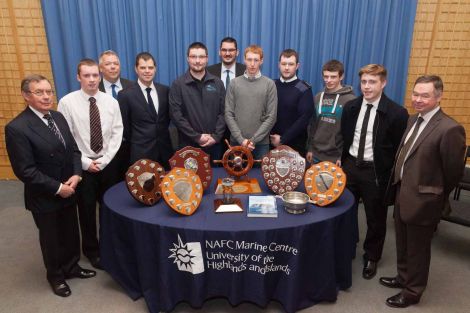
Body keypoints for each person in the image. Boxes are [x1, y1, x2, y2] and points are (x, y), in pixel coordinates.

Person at [5, 74, 96, 297]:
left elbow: (74, 150)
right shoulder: (17, 128)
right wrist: (58, 188)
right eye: (40, 92)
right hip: (46, 195)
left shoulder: (58, 117)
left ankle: (72, 267)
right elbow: (25, 171)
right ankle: (55, 276)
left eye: (49, 91)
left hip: (70, 187)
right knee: (51, 239)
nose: (46, 97)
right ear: (26, 96)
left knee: (71, 233)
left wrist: (76, 175)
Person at [380, 75, 466, 308]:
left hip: (425, 200)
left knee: (418, 249)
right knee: (403, 242)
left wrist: (435, 196)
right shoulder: (412, 119)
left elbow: (453, 173)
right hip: (402, 192)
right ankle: (403, 277)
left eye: (424, 95)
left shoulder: (450, 129)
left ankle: (412, 291)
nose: (417, 99)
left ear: (439, 97)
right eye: (415, 94)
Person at [341, 64, 408, 280]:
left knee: (376, 217)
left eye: (372, 82)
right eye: (364, 82)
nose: (367, 87)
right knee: (346, 211)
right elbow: (345, 137)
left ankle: (372, 256)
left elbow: (398, 148)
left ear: (383, 83)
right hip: (351, 166)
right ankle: (347, 247)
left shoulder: (397, 113)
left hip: (375, 173)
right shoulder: (351, 107)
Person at [58, 59, 123, 270]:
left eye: (95, 75)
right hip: (81, 166)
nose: (92, 79)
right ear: (78, 77)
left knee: (109, 208)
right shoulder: (66, 103)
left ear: (100, 75)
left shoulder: (111, 102)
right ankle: (92, 251)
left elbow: (117, 133)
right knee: (86, 212)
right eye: (87, 75)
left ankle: (109, 246)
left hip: (107, 163)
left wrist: (104, 161)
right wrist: (85, 163)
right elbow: (66, 138)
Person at [169, 42, 225, 160]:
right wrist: (197, 137)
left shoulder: (217, 83)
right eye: (193, 57)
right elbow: (176, 116)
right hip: (188, 146)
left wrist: (215, 137)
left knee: (216, 177)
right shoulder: (178, 85)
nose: (197, 61)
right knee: (190, 179)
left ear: (207, 59)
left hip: (214, 145)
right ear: (187, 59)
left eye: (201, 57)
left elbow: (224, 112)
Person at [118, 52, 173, 168]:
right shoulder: (125, 95)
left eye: (150, 67)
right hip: (141, 153)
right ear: (136, 69)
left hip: (165, 151)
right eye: (143, 67)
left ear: (155, 69)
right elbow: (125, 127)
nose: (147, 71)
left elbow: (166, 119)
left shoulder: (165, 90)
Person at [225, 45, 277, 160]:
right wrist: (241, 140)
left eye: (256, 60)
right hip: (237, 142)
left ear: (261, 61)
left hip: (260, 145)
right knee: (236, 176)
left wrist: (252, 140)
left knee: (261, 176)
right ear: (244, 60)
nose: (252, 64)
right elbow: (228, 114)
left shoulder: (269, 84)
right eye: (249, 60)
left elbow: (271, 117)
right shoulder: (234, 83)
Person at [306, 60, 356, 163]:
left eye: (333, 77)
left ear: (341, 77)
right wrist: (310, 148)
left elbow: (351, 131)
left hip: (336, 158)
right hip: (315, 154)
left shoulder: (350, 100)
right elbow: (312, 125)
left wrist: (343, 155)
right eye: (326, 76)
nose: (328, 80)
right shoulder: (318, 97)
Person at [270, 49, 315, 156]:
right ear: (279, 65)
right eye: (283, 64)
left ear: (297, 66)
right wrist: (270, 136)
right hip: (270, 144)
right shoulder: (271, 84)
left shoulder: (304, 88)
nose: (286, 67)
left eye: (290, 64)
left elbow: (304, 119)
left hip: (295, 147)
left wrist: (282, 139)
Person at [98, 50, 134, 181]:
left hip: (129, 146)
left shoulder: (132, 86)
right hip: (106, 148)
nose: (113, 67)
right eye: (108, 64)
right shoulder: (95, 89)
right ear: (101, 68)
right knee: (110, 186)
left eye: (116, 63)